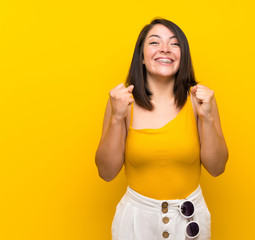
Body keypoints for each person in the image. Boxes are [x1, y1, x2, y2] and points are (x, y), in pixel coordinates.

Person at [95, 18, 229, 240]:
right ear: (141, 56)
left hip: (189, 221)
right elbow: (106, 173)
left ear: (182, 56)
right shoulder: (121, 104)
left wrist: (207, 117)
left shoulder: (200, 101)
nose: (165, 49)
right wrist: (117, 117)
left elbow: (217, 168)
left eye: (174, 44)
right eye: (155, 43)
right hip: (136, 222)